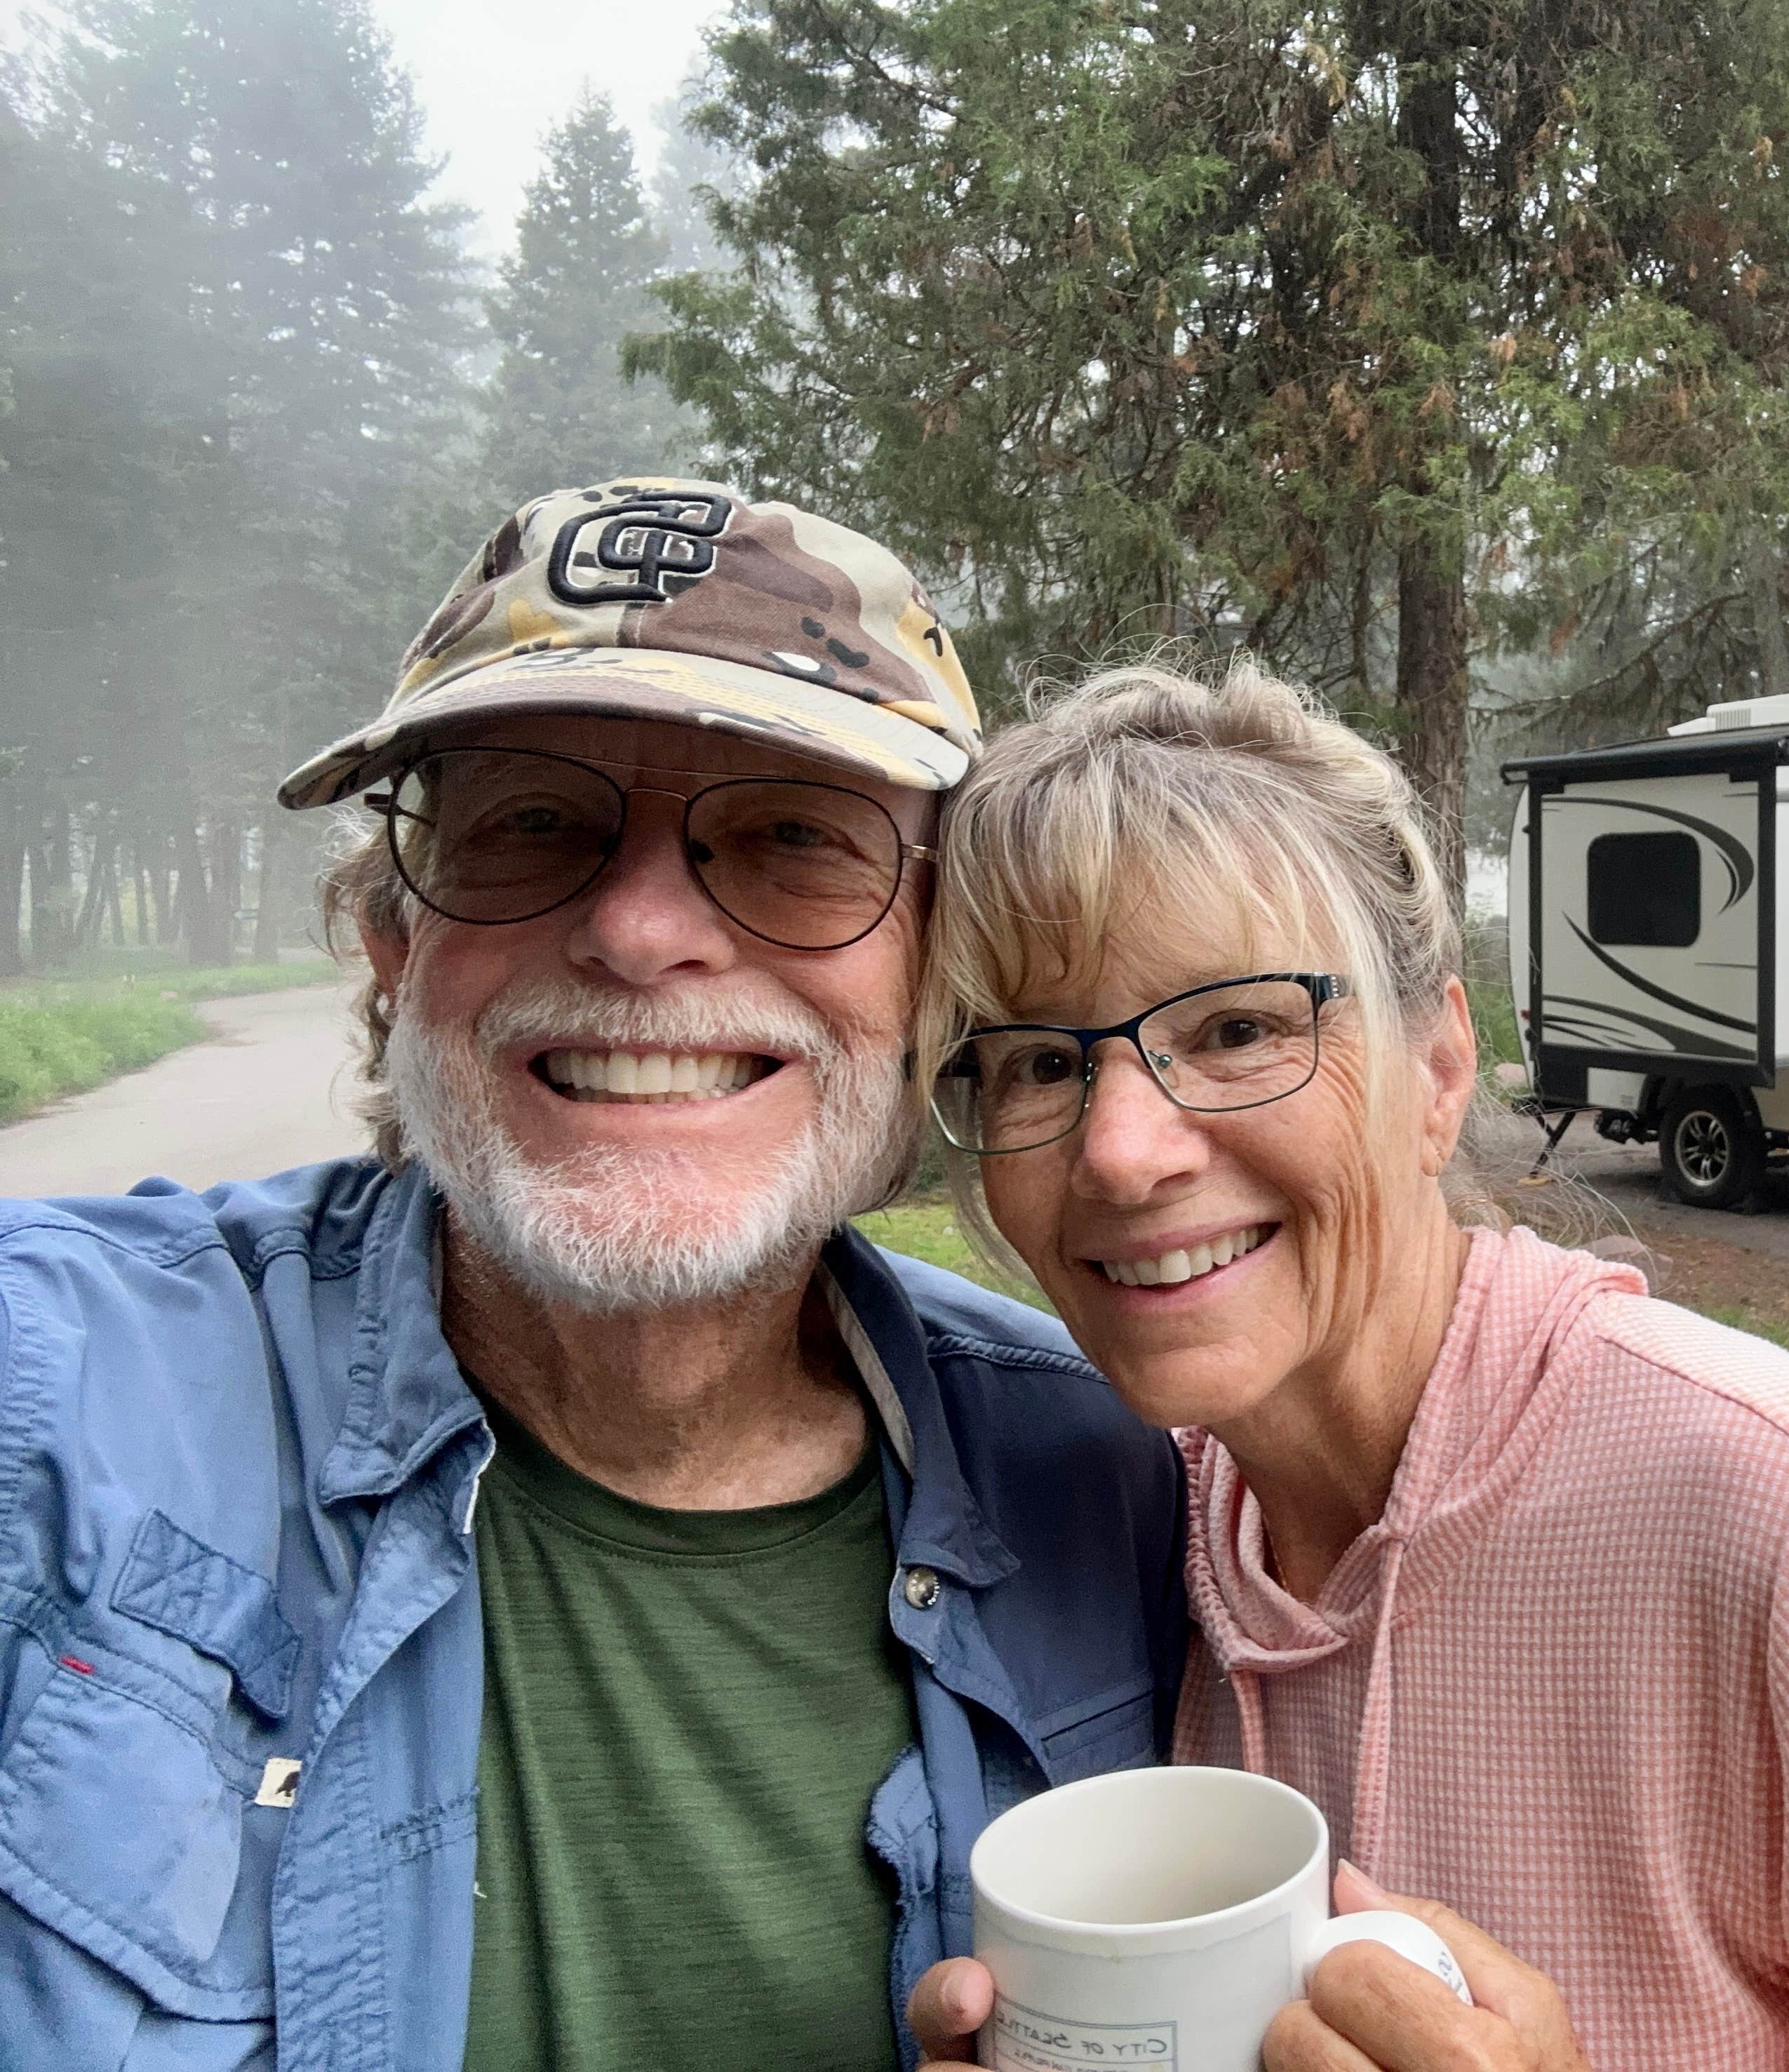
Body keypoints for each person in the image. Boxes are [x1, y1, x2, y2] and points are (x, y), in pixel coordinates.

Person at [913, 663, 1789, 2071]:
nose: (1120, 1151)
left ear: (1441, 1069)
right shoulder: (1144, 1523)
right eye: (1036, 1062)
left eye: (1240, 1030)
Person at [0, 480, 1190, 2071]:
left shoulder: (1110, 1483)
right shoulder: (59, 1391)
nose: (638, 932)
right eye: (533, 827)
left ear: (933, 971)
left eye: (790, 838)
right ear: (390, 945)